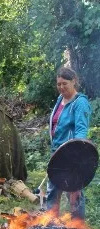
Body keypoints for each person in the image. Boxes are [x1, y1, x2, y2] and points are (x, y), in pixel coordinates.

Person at [46, 66, 92, 219]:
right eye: (58, 84)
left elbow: (81, 131)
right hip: (57, 154)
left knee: (74, 191)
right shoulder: (60, 99)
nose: (61, 87)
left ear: (74, 82)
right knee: (53, 189)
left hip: (71, 156)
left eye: (64, 83)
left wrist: (77, 156)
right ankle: (49, 224)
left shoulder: (80, 103)